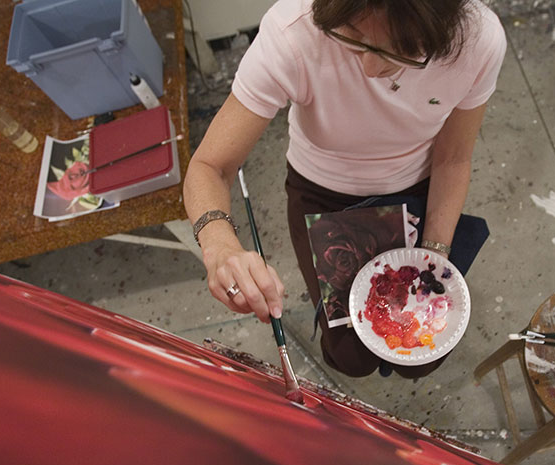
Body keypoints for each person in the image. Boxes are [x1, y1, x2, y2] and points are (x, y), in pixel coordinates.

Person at [183, 0, 507, 378]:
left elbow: (452, 159)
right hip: (321, 189)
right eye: (353, 38)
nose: (370, 69)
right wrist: (220, 248)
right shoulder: (293, 33)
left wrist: (431, 258)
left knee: (421, 352)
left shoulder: (478, 40)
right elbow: (210, 165)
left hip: (417, 181)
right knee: (351, 357)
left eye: (402, 50)